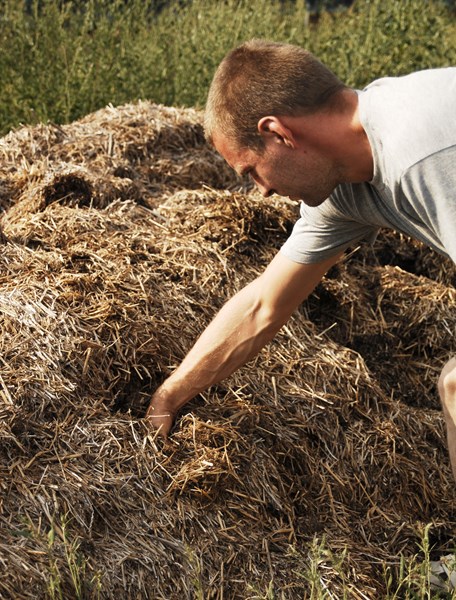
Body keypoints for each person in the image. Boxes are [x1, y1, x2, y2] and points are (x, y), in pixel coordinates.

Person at [146, 39, 456, 481]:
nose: (262, 191)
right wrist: (169, 397)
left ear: (279, 133)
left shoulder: (421, 153)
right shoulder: (342, 189)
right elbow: (262, 307)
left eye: (251, 170)